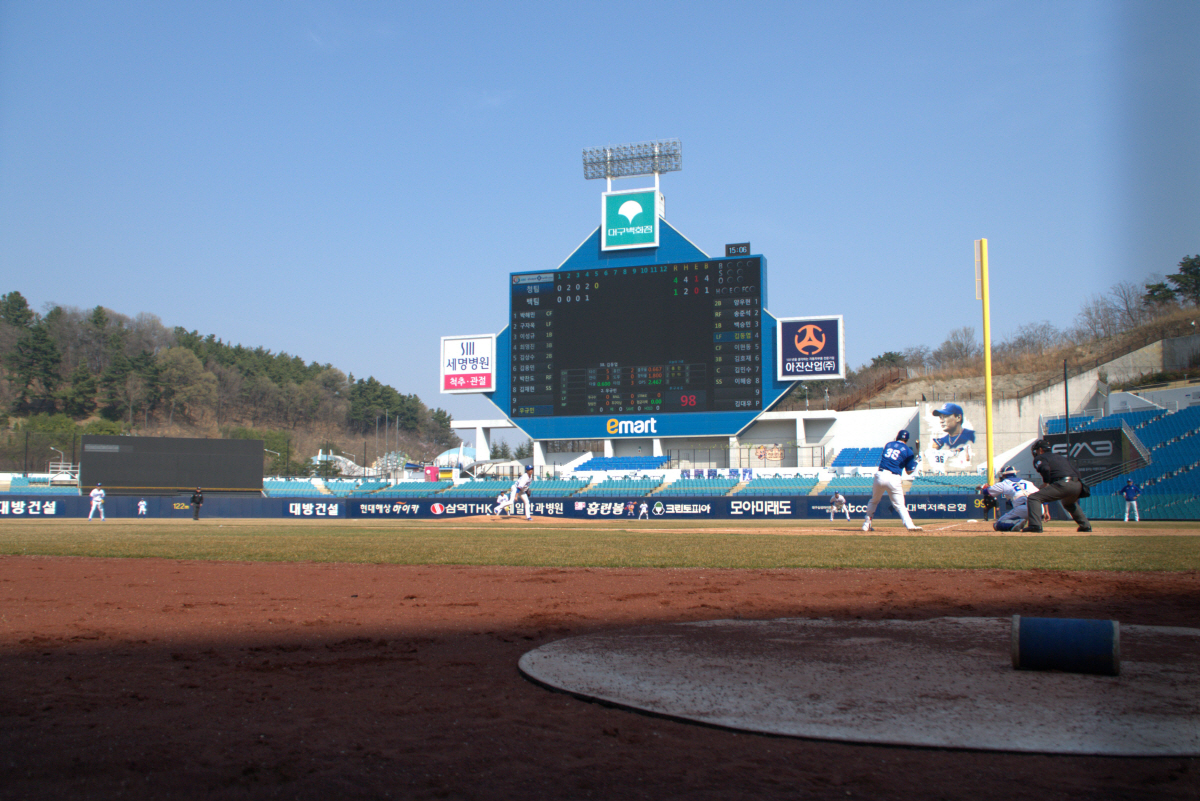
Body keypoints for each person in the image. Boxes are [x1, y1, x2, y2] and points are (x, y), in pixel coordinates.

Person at [1025, 440, 1091, 532]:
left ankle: (1035, 526)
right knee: (1069, 503)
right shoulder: (1060, 457)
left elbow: (1045, 468)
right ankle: (1085, 526)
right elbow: (1076, 471)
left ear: (1040, 449)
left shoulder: (1040, 458)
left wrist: (1045, 483)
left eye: (1036, 450)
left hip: (1063, 483)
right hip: (1077, 484)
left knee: (1034, 498)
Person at [863, 430, 922, 532]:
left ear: (897, 437)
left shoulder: (888, 444)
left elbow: (892, 456)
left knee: (874, 500)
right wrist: (916, 461)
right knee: (900, 505)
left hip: (880, 475)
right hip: (894, 477)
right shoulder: (908, 451)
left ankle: (866, 524)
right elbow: (909, 471)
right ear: (907, 440)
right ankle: (910, 525)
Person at [982, 467, 1039, 531]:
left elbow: (986, 492)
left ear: (1003, 475)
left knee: (997, 524)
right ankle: (1035, 525)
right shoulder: (1028, 482)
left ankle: (1016, 522)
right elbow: (1041, 495)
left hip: (1023, 509)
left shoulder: (1004, 483)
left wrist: (983, 488)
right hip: (1038, 509)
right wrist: (1046, 511)